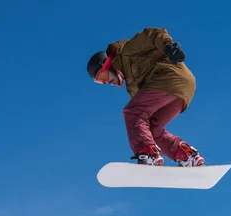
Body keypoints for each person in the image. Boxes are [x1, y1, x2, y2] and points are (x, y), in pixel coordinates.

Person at [87, 27, 204, 167]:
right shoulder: (131, 86)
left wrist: (168, 46)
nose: (106, 82)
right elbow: (141, 123)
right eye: (100, 82)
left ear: (107, 64)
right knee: (150, 127)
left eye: (102, 76)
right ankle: (187, 155)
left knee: (132, 111)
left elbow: (154, 34)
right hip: (182, 91)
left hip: (169, 77)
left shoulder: (127, 51)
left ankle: (149, 154)